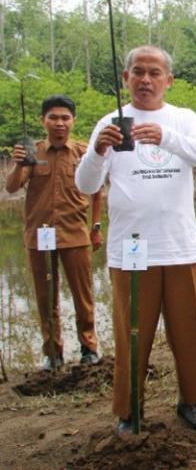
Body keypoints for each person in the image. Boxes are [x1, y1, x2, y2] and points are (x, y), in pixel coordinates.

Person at [75, 45, 196, 434]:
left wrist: (166, 137)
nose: (146, 80)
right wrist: (99, 150)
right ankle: (128, 410)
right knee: (131, 330)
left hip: (180, 243)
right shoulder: (110, 121)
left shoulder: (183, 119)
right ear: (126, 78)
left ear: (168, 80)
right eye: (138, 72)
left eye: (155, 73)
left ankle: (193, 400)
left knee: (188, 327)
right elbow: (85, 184)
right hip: (130, 248)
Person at [5, 95, 103, 370]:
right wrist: (18, 163)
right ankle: (53, 352)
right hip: (40, 236)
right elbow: (12, 187)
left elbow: (96, 192)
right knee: (46, 296)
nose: (59, 123)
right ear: (43, 121)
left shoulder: (83, 152)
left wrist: (96, 227)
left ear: (73, 121)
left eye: (65, 118)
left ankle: (89, 347)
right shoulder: (32, 153)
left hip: (75, 234)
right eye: (53, 117)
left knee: (83, 296)